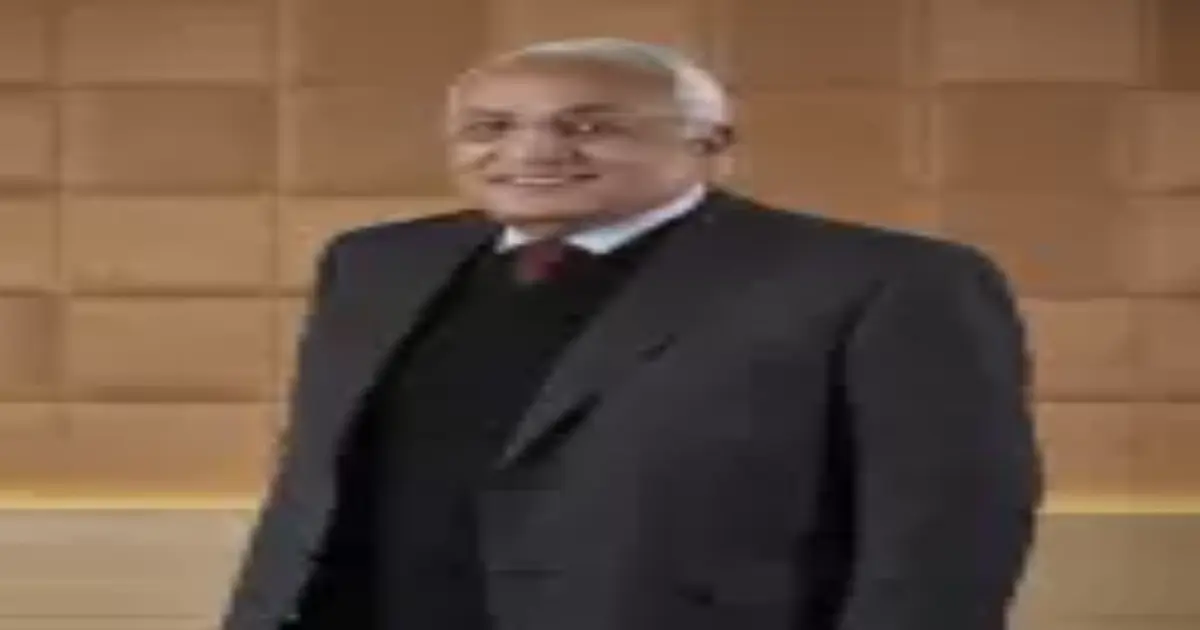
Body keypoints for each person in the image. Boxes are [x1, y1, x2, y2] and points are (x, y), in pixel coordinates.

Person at [220, 38, 1042, 630]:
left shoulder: (884, 280)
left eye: (589, 126)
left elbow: (944, 535)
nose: (531, 151)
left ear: (710, 142)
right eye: (489, 127)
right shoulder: (376, 263)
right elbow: (312, 481)